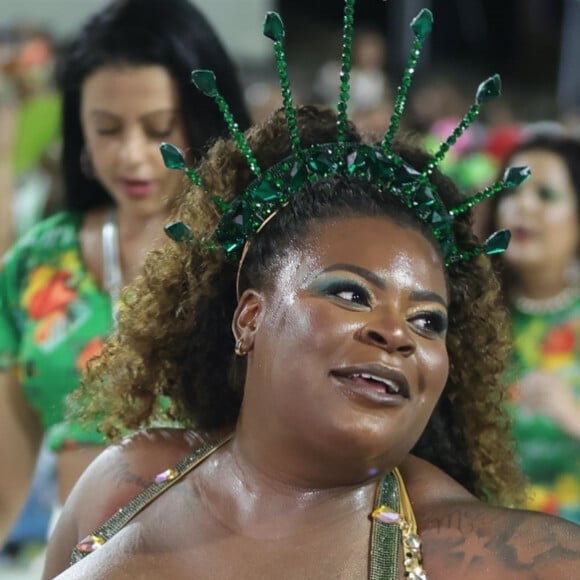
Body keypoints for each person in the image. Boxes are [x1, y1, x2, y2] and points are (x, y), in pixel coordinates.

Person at [43, 4, 580, 574]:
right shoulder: (122, 482)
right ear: (248, 318)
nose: (396, 333)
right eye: (351, 293)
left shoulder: (502, 558)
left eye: (429, 321)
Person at [0, 0, 250, 546]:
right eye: (107, 130)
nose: (133, 156)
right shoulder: (38, 265)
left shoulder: (253, 254)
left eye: (158, 128)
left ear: (205, 122)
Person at [487, 129, 580, 524]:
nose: (522, 205)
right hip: (482, 544)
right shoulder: (471, 317)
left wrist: (572, 416)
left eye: (545, 194)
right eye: (512, 191)